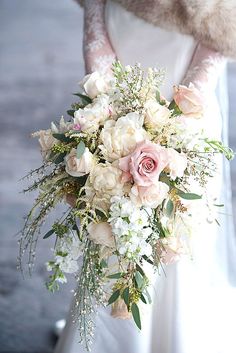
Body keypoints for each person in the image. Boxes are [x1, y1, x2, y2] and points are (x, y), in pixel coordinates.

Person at [54, 1, 236, 352]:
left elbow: (223, 27)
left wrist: (175, 128)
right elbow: (96, 26)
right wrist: (104, 104)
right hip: (116, 88)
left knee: (176, 234)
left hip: (185, 106)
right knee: (110, 227)